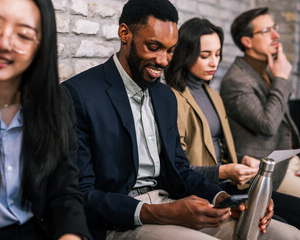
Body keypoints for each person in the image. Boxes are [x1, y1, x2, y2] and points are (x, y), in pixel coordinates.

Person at [63, 0, 298, 239]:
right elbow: (80, 194)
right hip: (120, 219)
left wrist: (224, 199)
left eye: (170, 50)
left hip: (169, 202)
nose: (164, 61)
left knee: (286, 234)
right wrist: (160, 213)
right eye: (153, 47)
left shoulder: (164, 96)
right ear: (125, 34)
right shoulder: (78, 94)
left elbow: (181, 171)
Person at [0, 0, 90, 239]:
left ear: (40, 45)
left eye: (22, 34)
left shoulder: (58, 102)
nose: (2, 43)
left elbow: (64, 190)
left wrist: (71, 234)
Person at [165, 17, 300, 229]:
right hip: (205, 190)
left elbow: (215, 150)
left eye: (217, 54)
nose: (214, 63)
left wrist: (242, 159)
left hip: (229, 184)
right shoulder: (171, 98)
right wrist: (226, 171)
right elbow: (178, 169)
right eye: (205, 55)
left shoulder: (211, 94)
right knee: (283, 225)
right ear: (185, 54)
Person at [220, 8, 300, 199]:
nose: (276, 35)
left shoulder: (268, 69)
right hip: (266, 171)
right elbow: (267, 125)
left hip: (288, 161)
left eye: (274, 28)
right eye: (266, 31)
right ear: (247, 41)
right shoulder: (235, 80)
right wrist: (281, 79)